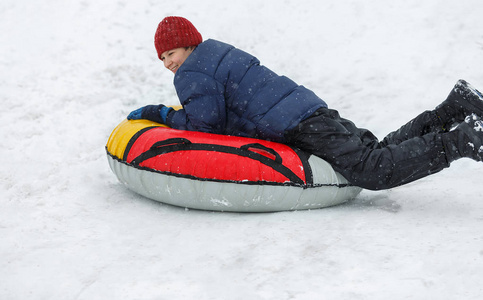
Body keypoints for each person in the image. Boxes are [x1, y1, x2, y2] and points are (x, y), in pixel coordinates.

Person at [128, 16, 483, 190]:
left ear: (188, 45)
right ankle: (454, 107)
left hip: (297, 124)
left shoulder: (193, 71)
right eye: (161, 58)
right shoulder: (218, 53)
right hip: (308, 108)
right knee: (377, 149)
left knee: (372, 169)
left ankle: (464, 138)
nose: (168, 64)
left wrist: (161, 115)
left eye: (170, 53)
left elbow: (204, 126)